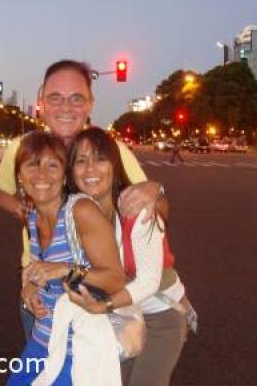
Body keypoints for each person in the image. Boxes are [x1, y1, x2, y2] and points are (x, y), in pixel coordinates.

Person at [0, 60, 169, 339]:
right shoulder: (22, 148)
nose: (65, 107)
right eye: (55, 98)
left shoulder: (111, 150)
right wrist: (19, 207)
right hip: (38, 282)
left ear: (90, 104)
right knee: (41, 366)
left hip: (95, 285)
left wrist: (154, 191)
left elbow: (157, 211)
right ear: (42, 103)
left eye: (76, 99)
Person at [66, 127, 192, 386]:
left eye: (100, 159)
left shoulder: (135, 208)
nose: (90, 169)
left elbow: (147, 281)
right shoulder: (76, 211)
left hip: (161, 316)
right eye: (81, 160)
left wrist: (105, 305)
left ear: (114, 165)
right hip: (122, 317)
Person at [6, 131, 125, 385]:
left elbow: (115, 279)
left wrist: (63, 269)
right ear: (19, 176)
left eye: (52, 165)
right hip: (40, 343)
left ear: (64, 175)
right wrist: (29, 290)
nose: (42, 175)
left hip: (78, 350)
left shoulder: (80, 212)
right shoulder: (32, 215)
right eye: (32, 165)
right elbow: (40, 271)